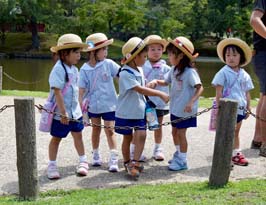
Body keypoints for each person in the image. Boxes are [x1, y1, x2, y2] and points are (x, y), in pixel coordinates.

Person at [115, 37, 169, 178]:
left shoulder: (139, 69)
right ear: (133, 57)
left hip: (139, 111)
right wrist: (160, 94)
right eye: (144, 56)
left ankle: (136, 161)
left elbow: (143, 88)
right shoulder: (125, 73)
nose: (145, 59)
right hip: (126, 112)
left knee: (142, 135)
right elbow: (140, 89)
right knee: (127, 138)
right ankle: (127, 162)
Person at [147, 36, 203, 171]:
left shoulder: (190, 72)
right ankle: (179, 154)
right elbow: (166, 82)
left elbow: (199, 88)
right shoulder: (174, 70)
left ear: (181, 56)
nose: (169, 56)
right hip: (175, 109)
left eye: (172, 54)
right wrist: (155, 81)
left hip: (186, 110)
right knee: (174, 132)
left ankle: (183, 160)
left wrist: (191, 102)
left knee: (181, 133)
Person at [47, 33, 89, 179]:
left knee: (78, 135)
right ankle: (52, 164)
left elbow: (76, 91)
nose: (79, 56)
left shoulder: (75, 70)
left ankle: (83, 160)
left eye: (79, 52)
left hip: (75, 112)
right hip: (62, 113)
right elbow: (57, 92)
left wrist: (81, 108)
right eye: (76, 52)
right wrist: (63, 113)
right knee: (56, 137)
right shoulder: (58, 69)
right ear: (65, 54)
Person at [79, 33, 120, 172]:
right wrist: (81, 107)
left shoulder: (109, 64)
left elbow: (121, 76)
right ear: (94, 52)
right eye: (104, 49)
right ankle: (95, 154)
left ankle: (114, 157)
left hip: (109, 104)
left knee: (110, 130)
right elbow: (81, 90)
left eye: (106, 49)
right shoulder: (84, 69)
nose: (106, 52)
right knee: (95, 129)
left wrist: (124, 92)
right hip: (93, 105)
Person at [212, 38, 254, 166]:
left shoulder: (244, 74)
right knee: (226, 132)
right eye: (228, 55)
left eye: (234, 55)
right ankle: (224, 156)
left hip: (240, 108)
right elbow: (218, 92)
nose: (231, 58)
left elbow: (246, 92)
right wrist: (218, 108)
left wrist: (248, 106)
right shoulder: (223, 72)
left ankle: (236, 154)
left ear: (240, 57)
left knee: (236, 132)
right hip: (226, 109)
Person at [138, 34, 170, 161]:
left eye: (159, 49)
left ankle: (158, 148)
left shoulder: (166, 67)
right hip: (144, 102)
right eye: (152, 49)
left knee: (158, 126)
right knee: (142, 127)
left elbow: (170, 81)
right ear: (146, 51)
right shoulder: (141, 66)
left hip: (159, 103)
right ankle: (138, 150)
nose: (156, 52)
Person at [250, 0, 266, 156]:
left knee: (263, 95)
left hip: (261, 54)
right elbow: (254, 20)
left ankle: (258, 139)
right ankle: (265, 145)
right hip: (264, 53)